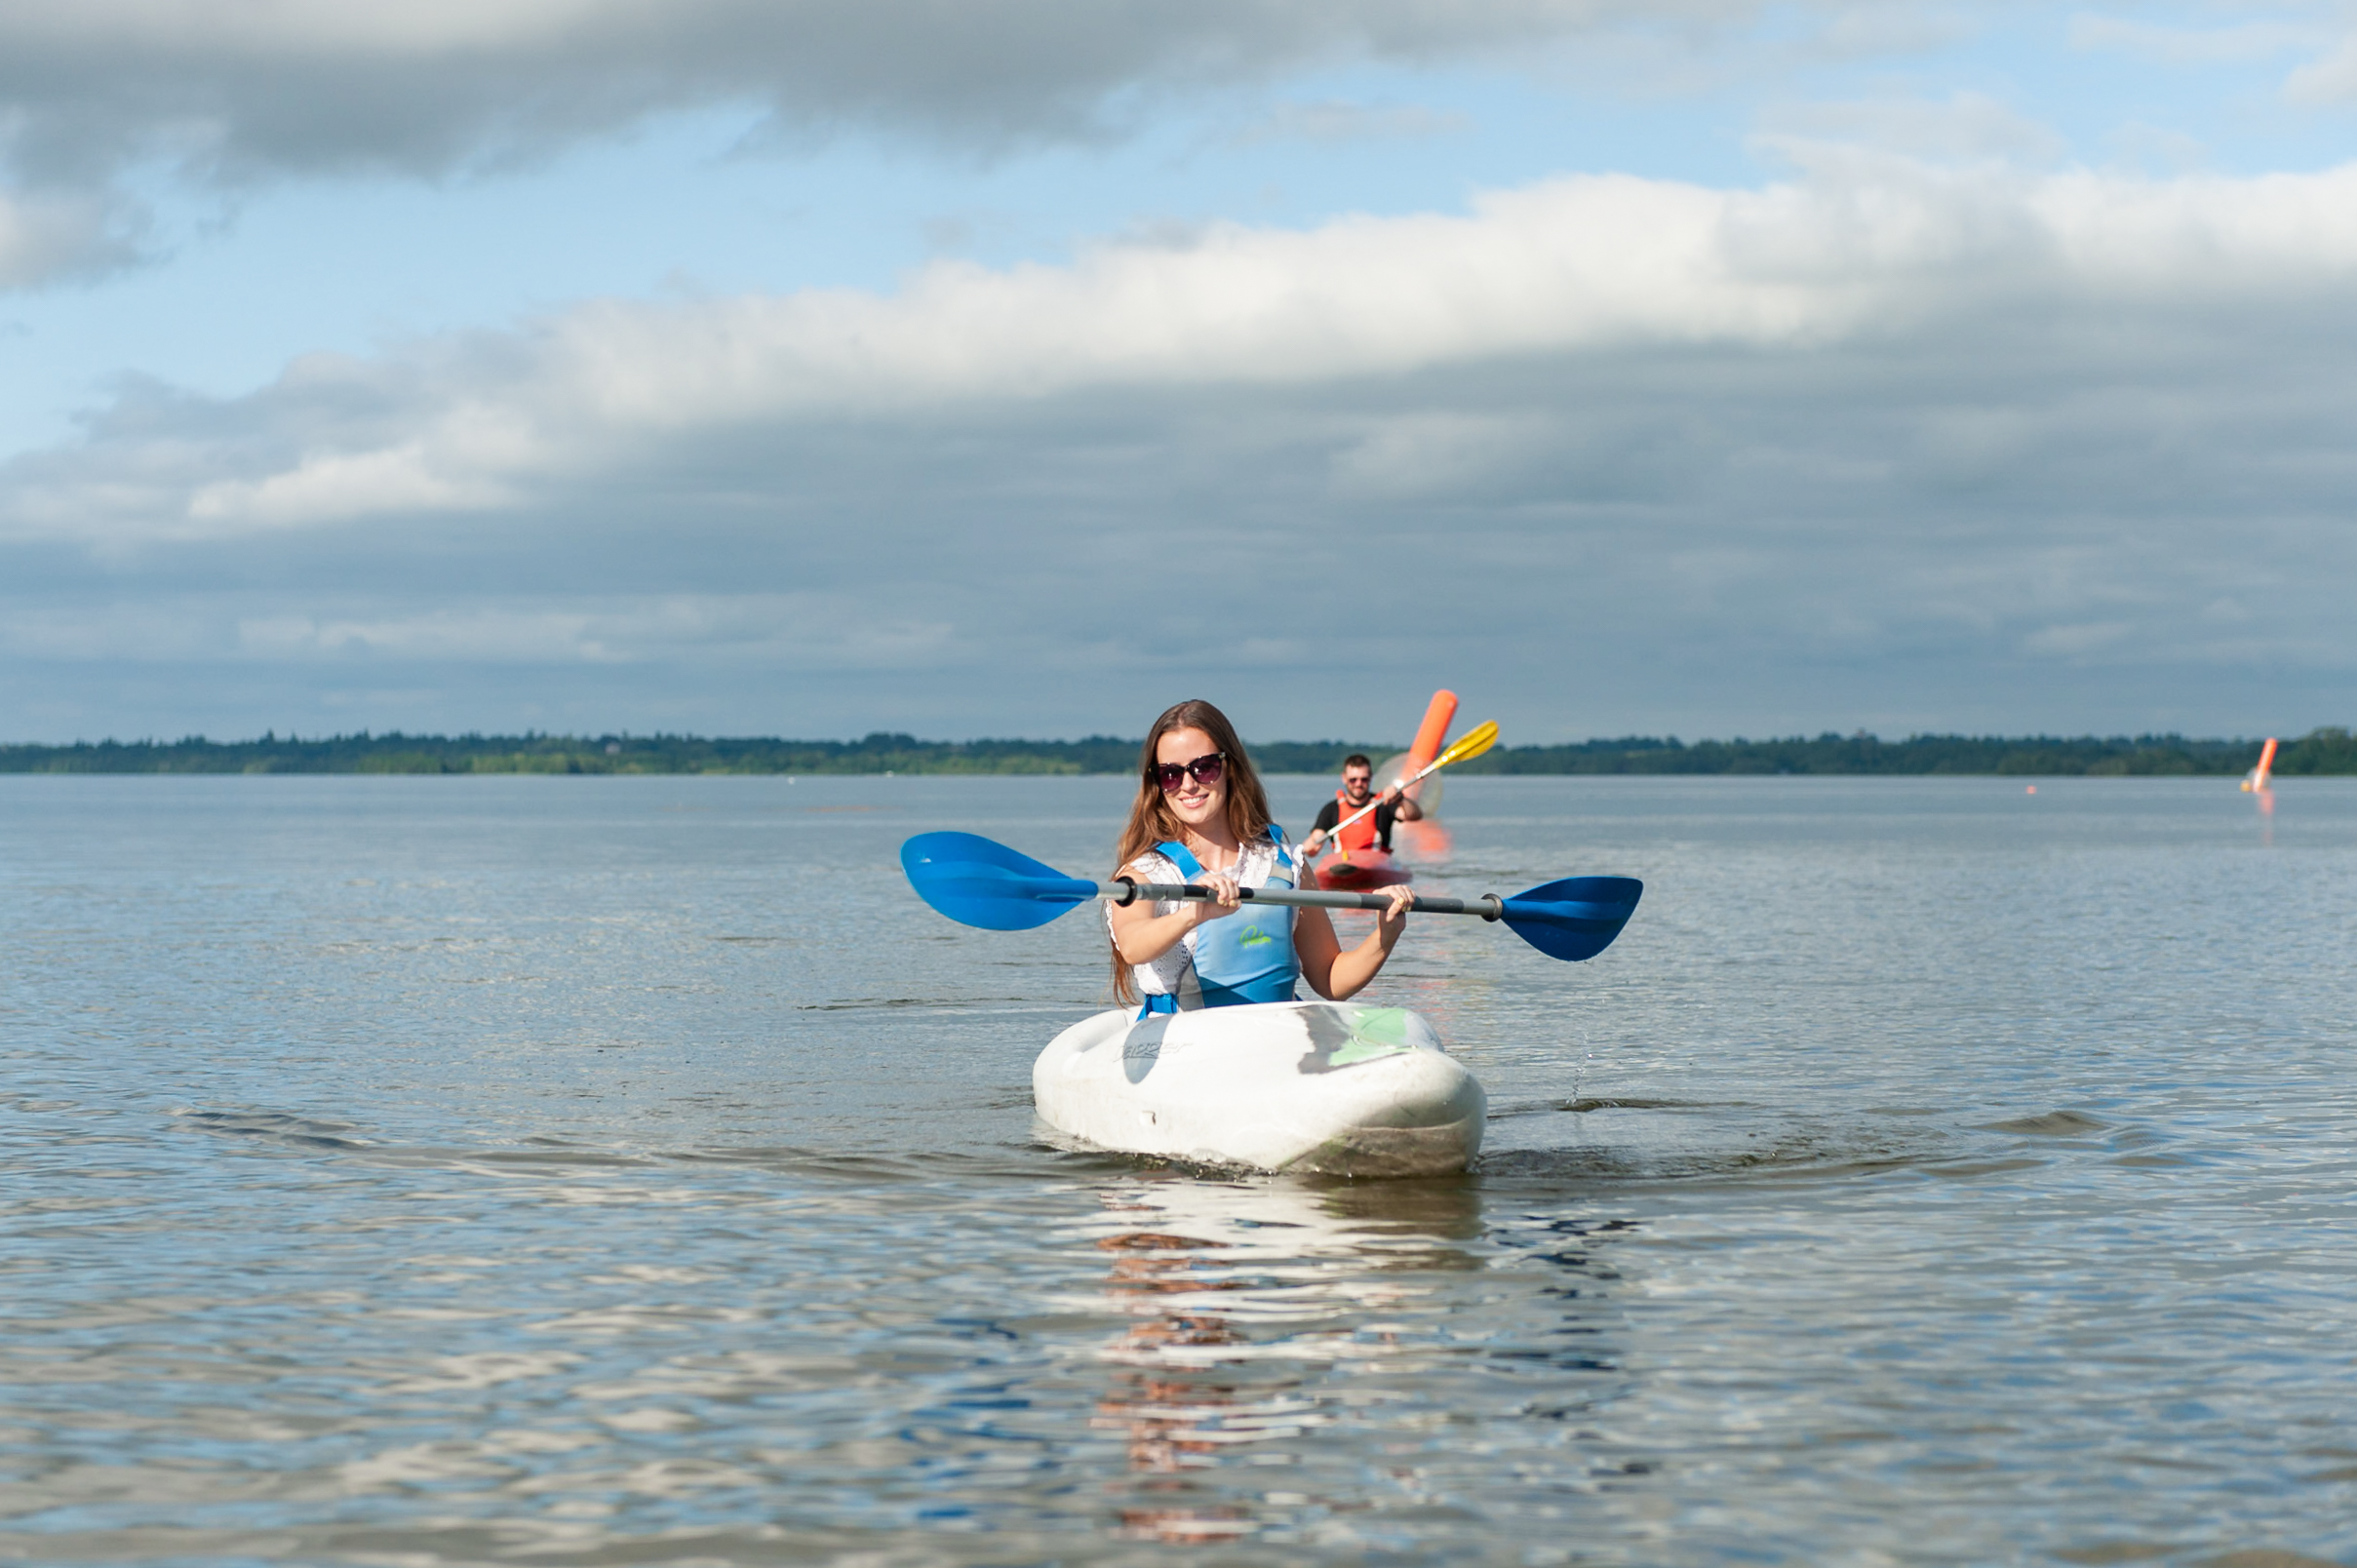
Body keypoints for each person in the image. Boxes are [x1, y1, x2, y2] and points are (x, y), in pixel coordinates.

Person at [1108, 700, 1414, 1016]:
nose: (1188, 784)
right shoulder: (1145, 874)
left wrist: (1385, 934)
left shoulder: (1283, 864)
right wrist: (1192, 914)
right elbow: (1133, 945)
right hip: (1185, 1045)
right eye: (1170, 773)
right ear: (1156, 783)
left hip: (1274, 1042)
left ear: (1229, 767)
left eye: (1204, 767)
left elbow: (1330, 979)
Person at [1299, 753, 1423, 859]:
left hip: (1376, 865)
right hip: (1343, 864)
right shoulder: (1331, 809)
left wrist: (1400, 798)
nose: (1358, 784)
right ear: (1344, 778)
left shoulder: (1383, 804)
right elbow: (1314, 846)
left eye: (1364, 779)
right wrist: (1305, 848)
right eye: (1353, 779)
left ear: (1370, 778)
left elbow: (1414, 815)